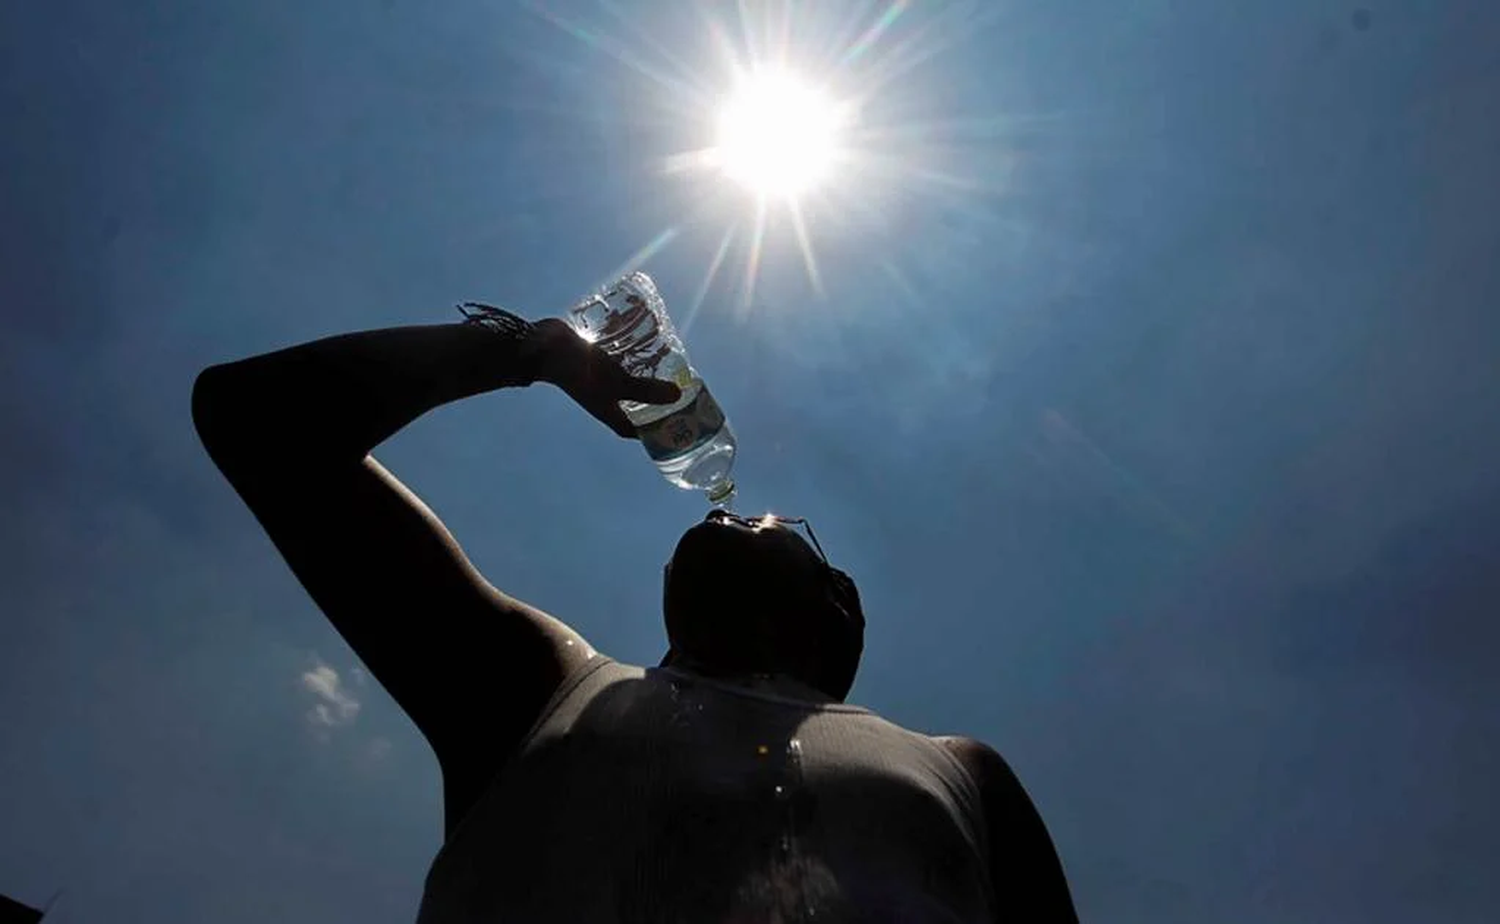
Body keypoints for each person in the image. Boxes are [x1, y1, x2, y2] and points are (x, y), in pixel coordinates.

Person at [192, 307, 1079, 923]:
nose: (738, 513)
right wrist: (537, 354)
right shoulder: (544, 692)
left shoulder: (962, 771)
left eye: (777, 525)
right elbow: (259, 418)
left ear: (840, 601)